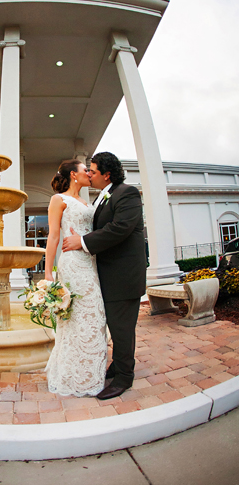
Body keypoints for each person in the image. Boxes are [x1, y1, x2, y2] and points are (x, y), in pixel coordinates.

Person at [62, 152, 147, 400]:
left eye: (93, 171)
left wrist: (82, 241)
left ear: (107, 174)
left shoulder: (127, 193)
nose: (89, 174)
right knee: (115, 325)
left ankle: (124, 378)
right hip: (108, 275)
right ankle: (117, 366)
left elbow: (119, 228)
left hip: (123, 276)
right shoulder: (103, 195)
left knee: (121, 328)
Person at [44, 159, 107, 397]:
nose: (89, 174)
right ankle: (73, 376)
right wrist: (48, 272)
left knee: (94, 316)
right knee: (76, 318)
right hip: (72, 264)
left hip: (90, 263)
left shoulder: (86, 201)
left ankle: (90, 373)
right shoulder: (58, 200)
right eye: (85, 171)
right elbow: (53, 237)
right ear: (73, 174)